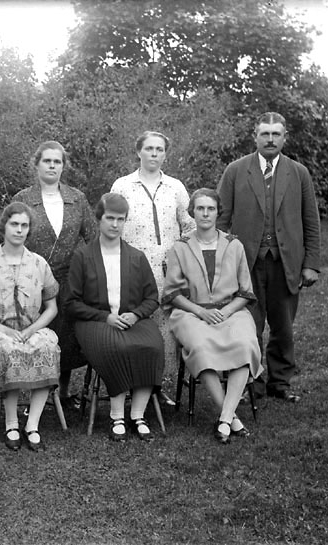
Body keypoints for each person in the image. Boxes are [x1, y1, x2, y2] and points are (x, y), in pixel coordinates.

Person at [217, 112, 320, 404]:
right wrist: (219, 259)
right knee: (248, 324)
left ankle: (280, 382)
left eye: (276, 134)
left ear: (285, 137)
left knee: (283, 326)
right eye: (265, 134)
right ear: (255, 137)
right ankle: (252, 382)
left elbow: (311, 220)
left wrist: (311, 264)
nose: (270, 139)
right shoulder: (236, 171)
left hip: (285, 262)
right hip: (246, 263)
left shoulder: (298, 173)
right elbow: (221, 219)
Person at [162, 189, 263, 444]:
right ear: (192, 212)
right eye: (200, 208)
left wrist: (225, 312)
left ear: (218, 212)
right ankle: (232, 419)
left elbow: (245, 292)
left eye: (210, 209)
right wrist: (201, 312)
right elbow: (172, 293)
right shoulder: (180, 247)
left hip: (231, 311)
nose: (205, 214)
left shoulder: (234, 245)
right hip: (191, 312)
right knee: (200, 347)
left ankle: (225, 418)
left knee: (245, 344)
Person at [66, 193, 165, 442]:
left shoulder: (136, 257)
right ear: (99, 219)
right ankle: (117, 415)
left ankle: (138, 415)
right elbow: (71, 303)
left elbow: (152, 298)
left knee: (152, 346)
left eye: (121, 219)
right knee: (117, 347)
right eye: (110, 218)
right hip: (94, 322)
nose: (115, 224)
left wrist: (136, 314)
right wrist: (105, 317)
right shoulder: (83, 256)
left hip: (133, 321)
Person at [110, 131, 195, 405]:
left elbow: (189, 225)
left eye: (159, 149)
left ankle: (157, 385)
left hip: (167, 270)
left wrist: (181, 255)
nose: (154, 154)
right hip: (131, 267)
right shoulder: (123, 185)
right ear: (139, 152)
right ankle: (128, 384)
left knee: (164, 328)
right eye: (149, 148)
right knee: (133, 322)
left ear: (165, 154)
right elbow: (112, 224)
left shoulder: (175, 187)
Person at [0, 202, 60, 451]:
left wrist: (31, 330)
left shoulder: (39, 263)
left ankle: (32, 425)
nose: (19, 230)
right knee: (11, 352)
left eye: (24, 225)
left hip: (32, 328)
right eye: (14, 224)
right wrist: (2, 330)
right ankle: (11, 423)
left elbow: (52, 307)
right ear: (4, 226)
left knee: (48, 348)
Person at [12, 141, 96, 408]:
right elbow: (12, 239)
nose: (52, 166)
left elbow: (93, 236)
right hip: (31, 280)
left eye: (57, 161)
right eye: (46, 161)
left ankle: (63, 392)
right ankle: (32, 393)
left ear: (63, 166)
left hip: (68, 280)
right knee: (33, 337)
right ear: (36, 165)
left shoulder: (77, 198)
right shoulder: (23, 199)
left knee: (65, 337)